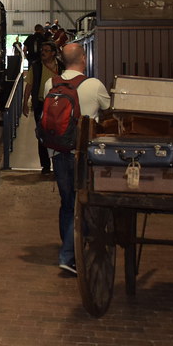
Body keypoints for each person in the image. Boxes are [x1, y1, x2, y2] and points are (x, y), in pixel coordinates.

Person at [51, 42, 111, 276]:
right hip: (84, 154)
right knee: (83, 202)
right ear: (83, 59)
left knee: (67, 204)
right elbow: (108, 109)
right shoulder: (94, 84)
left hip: (58, 153)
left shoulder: (51, 83)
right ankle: (69, 254)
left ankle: (70, 247)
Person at [21, 41, 63, 175]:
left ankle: (58, 164)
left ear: (53, 53)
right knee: (42, 135)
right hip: (41, 104)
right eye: (42, 50)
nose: (42, 52)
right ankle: (45, 166)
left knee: (59, 134)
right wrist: (25, 102)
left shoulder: (61, 67)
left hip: (60, 106)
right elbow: (29, 85)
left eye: (46, 50)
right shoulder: (37, 66)